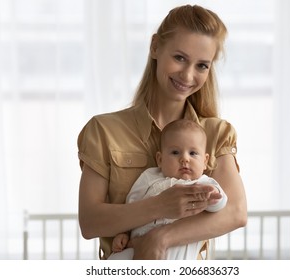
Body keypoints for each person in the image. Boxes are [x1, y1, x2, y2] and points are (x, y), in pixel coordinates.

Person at [77, 4, 247, 260]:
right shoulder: (103, 131)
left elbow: (236, 212)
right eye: (179, 58)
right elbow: (90, 223)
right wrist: (159, 205)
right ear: (155, 47)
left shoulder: (217, 133)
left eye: (202, 65)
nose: (188, 75)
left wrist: (161, 237)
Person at [108, 119, 227, 260]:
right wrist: (124, 233)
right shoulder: (149, 177)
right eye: (175, 152)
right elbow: (132, 206)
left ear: (205, 161)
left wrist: (212, 195)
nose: (184, 159)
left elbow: (221, 202)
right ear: (160, 159)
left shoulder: (202, 183)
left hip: (178, 246)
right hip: (137, 245)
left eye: (193, 153)